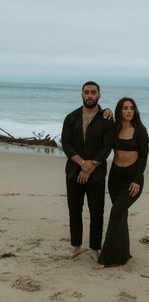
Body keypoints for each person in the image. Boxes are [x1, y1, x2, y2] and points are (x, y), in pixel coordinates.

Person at [94, 97, 149, 268]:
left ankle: (106, 258)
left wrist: (137, 180)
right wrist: (105, 111)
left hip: (132, 180)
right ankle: (124, 254)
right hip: (115, 178)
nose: (128, 111)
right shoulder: (114, 129)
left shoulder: (140, 131)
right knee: (122, 214)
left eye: (131, 108)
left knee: (115, 212)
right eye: (125, 108)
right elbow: (101, 124)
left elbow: (143, 158)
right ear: (120, 111)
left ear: (135, 112)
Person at [61, 81, 114, 261]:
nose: (89, 95)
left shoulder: (106, 118)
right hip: (73, 172)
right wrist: (82, 163)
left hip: (97, 174)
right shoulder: (71, 118)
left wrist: (90, 167)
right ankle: (76, 246)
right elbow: (66, 144)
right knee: (74, 210)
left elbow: (107, 146)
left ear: (99, 95)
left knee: (96, 211)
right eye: (86, 92)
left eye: (93, 92)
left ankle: (94, 248)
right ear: (82, 94)